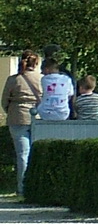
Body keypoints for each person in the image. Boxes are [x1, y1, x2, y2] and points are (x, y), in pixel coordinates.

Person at [3, 52, 42, 195]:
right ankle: (39, 187)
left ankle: (23, 188)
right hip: (38, 117)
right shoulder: (42, 79)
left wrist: (11, 111)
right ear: (37, 63)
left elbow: (4, 101)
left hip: (17, 116)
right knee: (39, 152)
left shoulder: (13, 79)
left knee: (22, 154)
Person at [35, 58, 74, 122]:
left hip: (45, 114)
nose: (42, 73)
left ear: (46, 70)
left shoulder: (44, 79)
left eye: (43, 71)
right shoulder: (67, 79)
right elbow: (70, 95)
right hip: (63, 114)